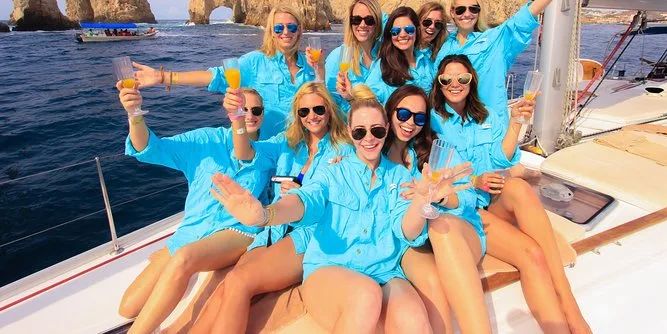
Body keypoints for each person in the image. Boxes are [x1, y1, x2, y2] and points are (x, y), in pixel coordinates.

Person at [209, 85, 470, 333]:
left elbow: (407, 231)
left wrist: (422, 199)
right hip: (331, 268)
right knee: (365, 294)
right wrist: (267, 214)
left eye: (377, 131)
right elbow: (305, 201)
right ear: (349, 131)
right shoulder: (333, 171)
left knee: (415, 321)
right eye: (360, 132)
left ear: (387, 129)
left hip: (385, 271)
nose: (369, 139)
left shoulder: (399, 175)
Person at [430, 54, 590, 333]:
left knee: (518, 187)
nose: (455, 84)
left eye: (462, 78)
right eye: (447, 79)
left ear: (471, 81)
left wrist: (516, 122)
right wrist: (474, 180)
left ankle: (570, 306)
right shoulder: (433, 121)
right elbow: (435, 171)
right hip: (464, 206)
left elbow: (500, 159)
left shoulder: (487, 115)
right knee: (532, 254)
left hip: (490, 199)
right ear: (439, 84)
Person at [190, 82, 352, 333]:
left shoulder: (344, 149)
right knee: (227, 284)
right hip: (274, 229)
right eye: (304, 111)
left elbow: (343, 198)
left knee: (239, 281)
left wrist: (302, 194)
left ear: (329, 110)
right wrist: (237, 118)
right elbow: (245, 153)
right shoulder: (288, 143)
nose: (312, 116)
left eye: (318, 109)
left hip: (309, 235)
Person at [116, 85, 272, 334]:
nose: (249, 115)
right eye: (243, 109)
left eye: (256, 110)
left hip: (237, 230)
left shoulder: (268, 151)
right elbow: (151, 148)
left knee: (184, 258)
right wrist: (134, 114)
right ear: (231, 109)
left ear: (263, 114)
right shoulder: (204, 141)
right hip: (192, 231)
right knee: (128, 307)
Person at [434, 0, 614, 123]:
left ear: (479, 12)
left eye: (473, 8)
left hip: (488, 127)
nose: (467, 14)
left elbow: (530, 11)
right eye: (460, 10)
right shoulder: (445, 49)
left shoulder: (496, 40)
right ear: (452, 13)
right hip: (451, 127)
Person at [382, 84, 491, 333]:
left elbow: (467, 196)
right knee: (433, 280)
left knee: (441, 227)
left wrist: (441, 198)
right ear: (390, 112)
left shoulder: (434, 149)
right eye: (403, 114)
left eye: (419, 118)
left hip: (446, 232)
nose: (410, 123)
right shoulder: (375, 150)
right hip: (407, 239)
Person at [132, 4, 322, 138]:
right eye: (279, 27)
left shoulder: (311, 65)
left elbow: (325, 104)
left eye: (292, 27)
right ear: (271, 32)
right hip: (267, 150)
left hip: (303, 148)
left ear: (299, 31)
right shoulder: (254, 61)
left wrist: (320, 69)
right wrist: (163, 77)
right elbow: (215, 77)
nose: (286, 32)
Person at [342, 6, 434, 105]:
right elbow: (368, 103)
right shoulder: (383, 66)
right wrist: (350, 97)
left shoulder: (426, 61)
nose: (402, 34)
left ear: (417, 30)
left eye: (409, 29)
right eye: (396, 31)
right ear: (390, 35)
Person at [325, 0, 384, 112]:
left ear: (377, 23)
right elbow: (329, 101)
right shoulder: (339, 56)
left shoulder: (387, 56)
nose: (362, 25)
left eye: (369, 20)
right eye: (356, 20)